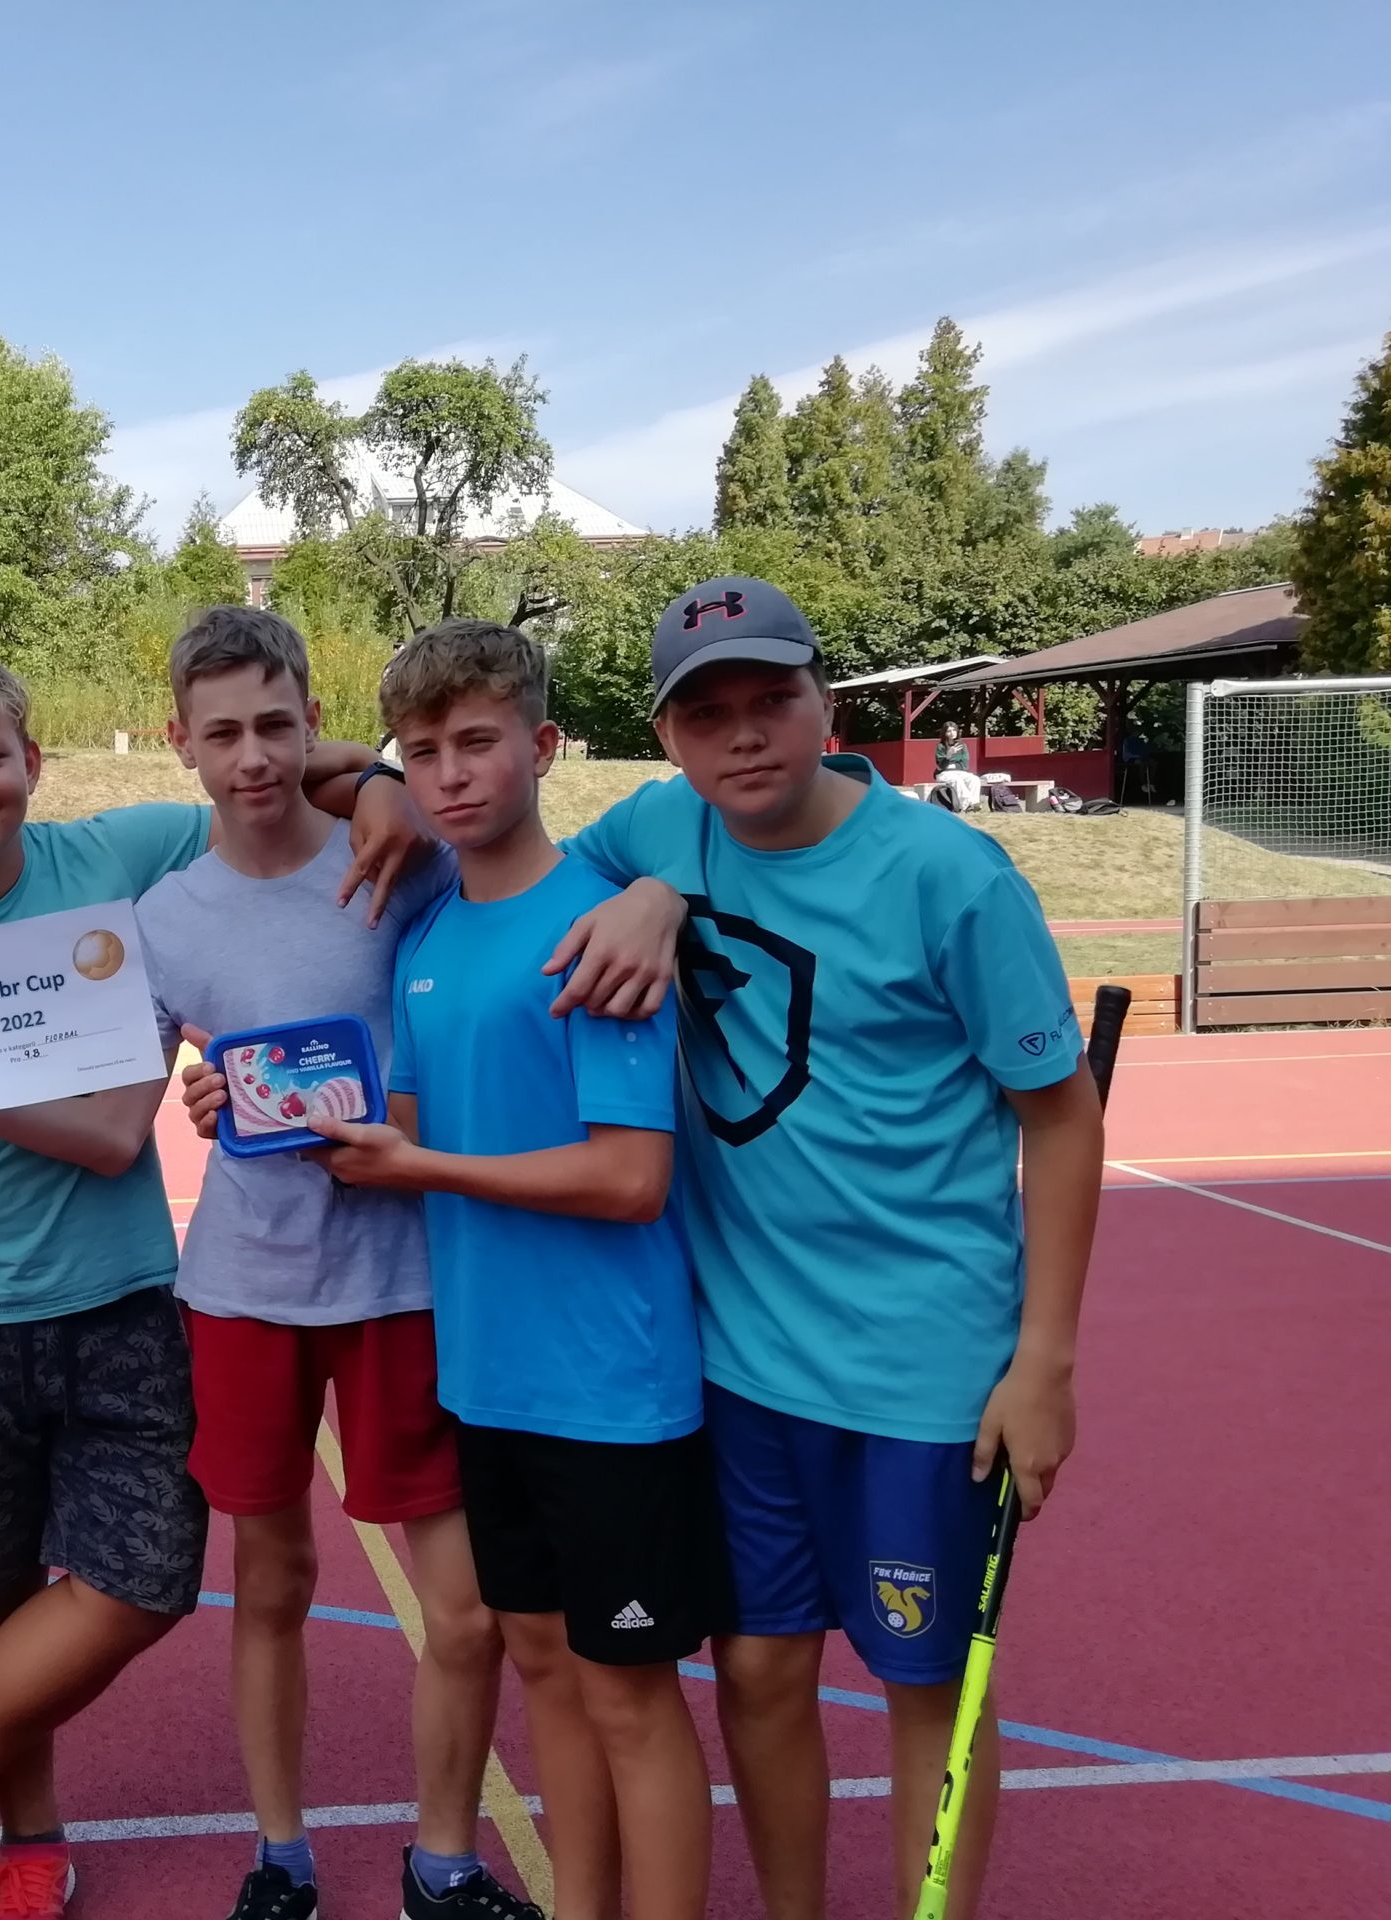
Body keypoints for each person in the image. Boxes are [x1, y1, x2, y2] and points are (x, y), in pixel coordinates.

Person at [0, 646, 429, 1920]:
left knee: (148, 1576)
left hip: (120, 1297)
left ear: (32, 760)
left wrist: (386, 779)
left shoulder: (121, 855)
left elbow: (277, 775)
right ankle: (28, 1840)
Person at [544, 576, 1106, 1920]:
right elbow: (500, 840)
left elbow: (1061, 1117)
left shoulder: (948, 877)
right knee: (755, 1670)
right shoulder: (659, 826)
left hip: (923, 1372)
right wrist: (647, 888)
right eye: (707, 714)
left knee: (925, 1687)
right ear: (667, 737)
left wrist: (1044, 1361)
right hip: (742, 1363)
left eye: (772, 698)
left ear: (824, 705)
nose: (744, 734)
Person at [273, 618, 723, 1920]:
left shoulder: (597, 927)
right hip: (488, 1379)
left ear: (543, 746)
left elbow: (629, 1178)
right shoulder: (429, 939)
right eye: (423, 753)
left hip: (611, 1388)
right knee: (542, 1669)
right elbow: (402, 1134)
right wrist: (273, 1114)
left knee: (630, 1697)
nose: (452, 775)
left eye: (478, 743)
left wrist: (420, 1167)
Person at [137, 608, 512, 1920]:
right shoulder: (165, 917)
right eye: (222, 733)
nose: (251, 758)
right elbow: (122, 1099)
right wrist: (204, 1096)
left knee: (462, 1609)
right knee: (271, 1582)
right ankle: (281, 1855)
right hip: (246, 1286)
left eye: (275, 726)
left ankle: (442, 1861)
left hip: (404, 1276)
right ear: (180, 741)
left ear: (311, 723)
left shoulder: (399, 859)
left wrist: (387, 779)